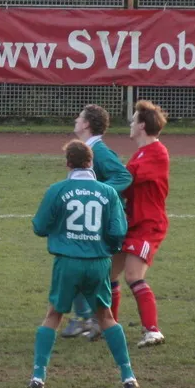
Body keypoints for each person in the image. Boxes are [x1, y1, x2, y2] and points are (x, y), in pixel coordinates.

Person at [28, 139, 138, 388]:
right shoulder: (108, 192)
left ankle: (38, 376)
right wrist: (106, 248)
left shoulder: (57, 190)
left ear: (68, 163)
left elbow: (39, 227)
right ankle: (128, 376)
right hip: (98, 263)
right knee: (106, 317)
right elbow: (118, 231)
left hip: (67, 262)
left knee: (53, 315)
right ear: (91, 162)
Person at [61, 104, 133, 342]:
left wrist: (98, 192)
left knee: (81, 268)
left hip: (98, 223)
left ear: (87, 124)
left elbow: (123, 175)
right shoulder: (88, 149)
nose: (75, 120)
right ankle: (86, 317)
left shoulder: (99, 151)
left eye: (79, 117)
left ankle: (88, 318)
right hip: (89, 221)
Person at [110, 100, 170, 349]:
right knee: (108, 274)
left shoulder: (157, 152)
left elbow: (128, 177)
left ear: (143, 126)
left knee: (133, 275)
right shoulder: (141, 153)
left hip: (148, 225)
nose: (131, 124)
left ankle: (153, 331)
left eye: (134, 120)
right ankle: (109, 326)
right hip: (132, 223)